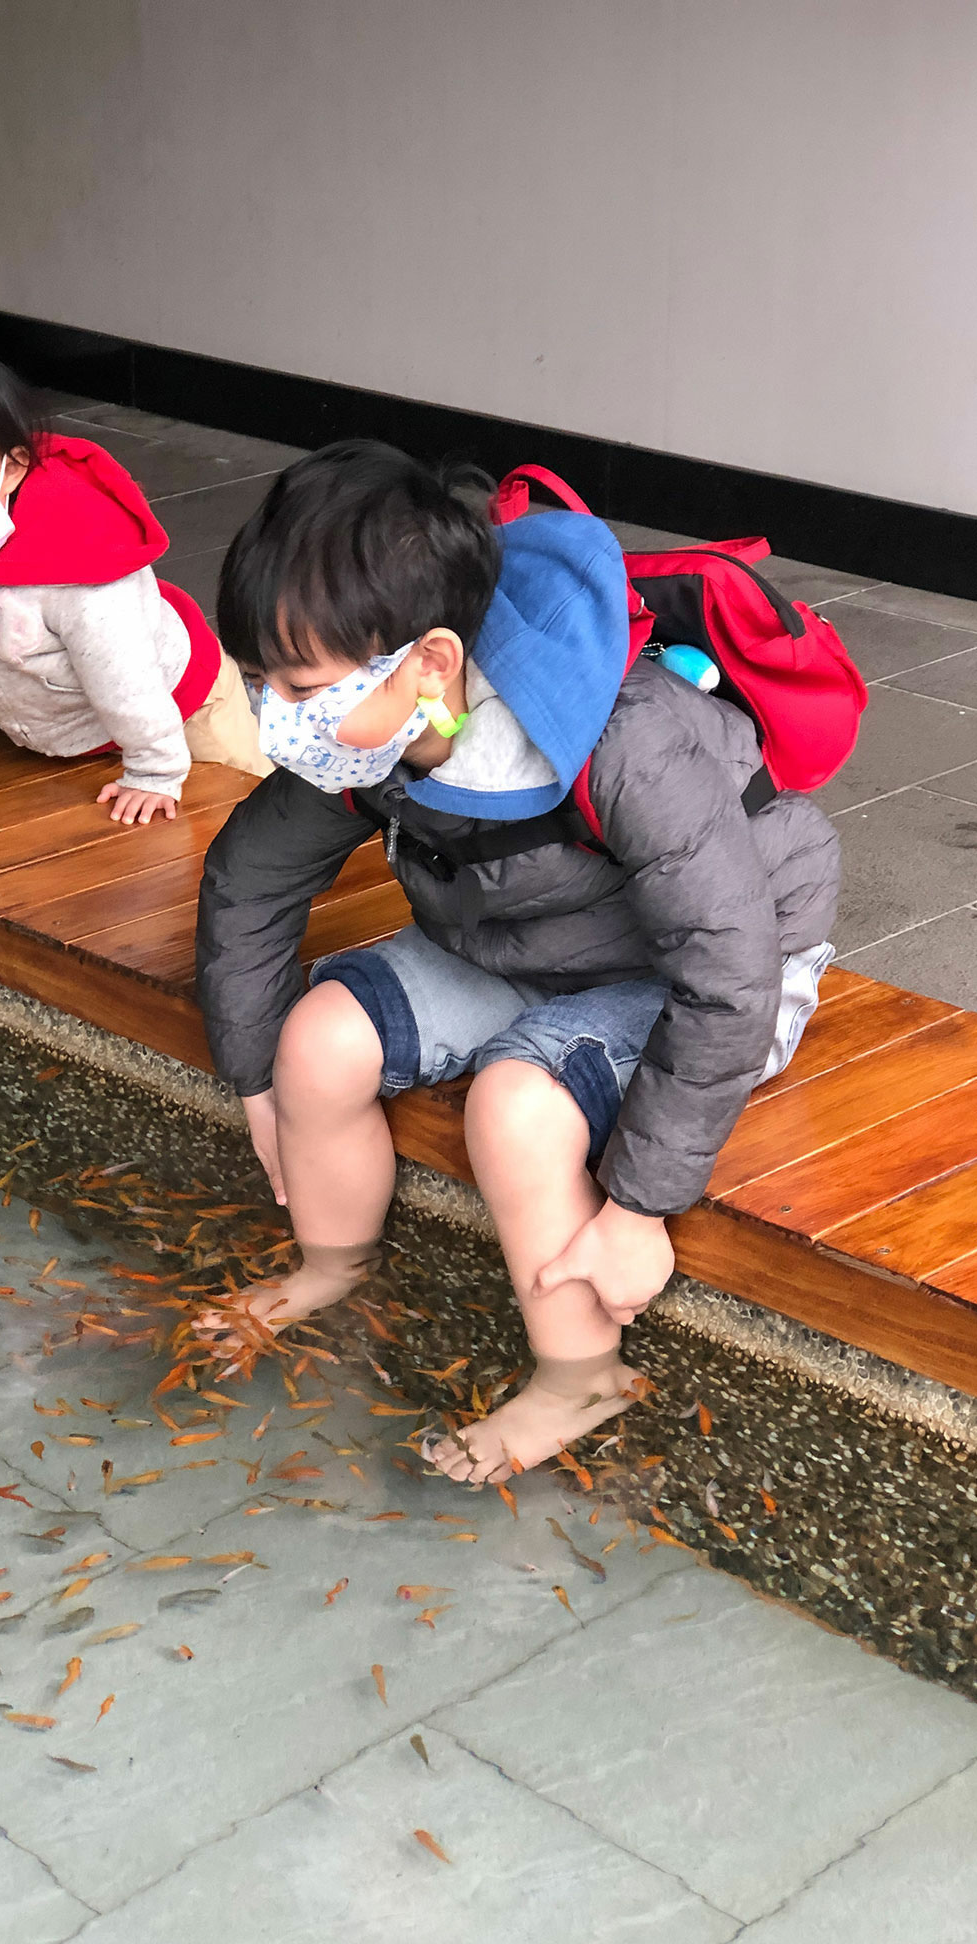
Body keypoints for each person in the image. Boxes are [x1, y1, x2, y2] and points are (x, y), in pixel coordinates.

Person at [195, 441, 839, 1488]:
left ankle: (582, 1371)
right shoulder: (368, 724)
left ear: (432, 662)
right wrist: (256, 1079)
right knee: (313, 1041)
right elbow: (248, 881)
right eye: (258, 680)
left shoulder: (624, 739)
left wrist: (636, 1213)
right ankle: (331, 1262)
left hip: (723, 962)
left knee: (517, 1107)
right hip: (517, 942)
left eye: (294, 686)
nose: (273, 714)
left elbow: (727, 965)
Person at [0, 344, 269, 823]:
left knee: (250, 816)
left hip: (181, 710)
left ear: (14, 466)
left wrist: (154, 771)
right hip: (66, 724)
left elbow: (125, 676)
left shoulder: (79, 560)